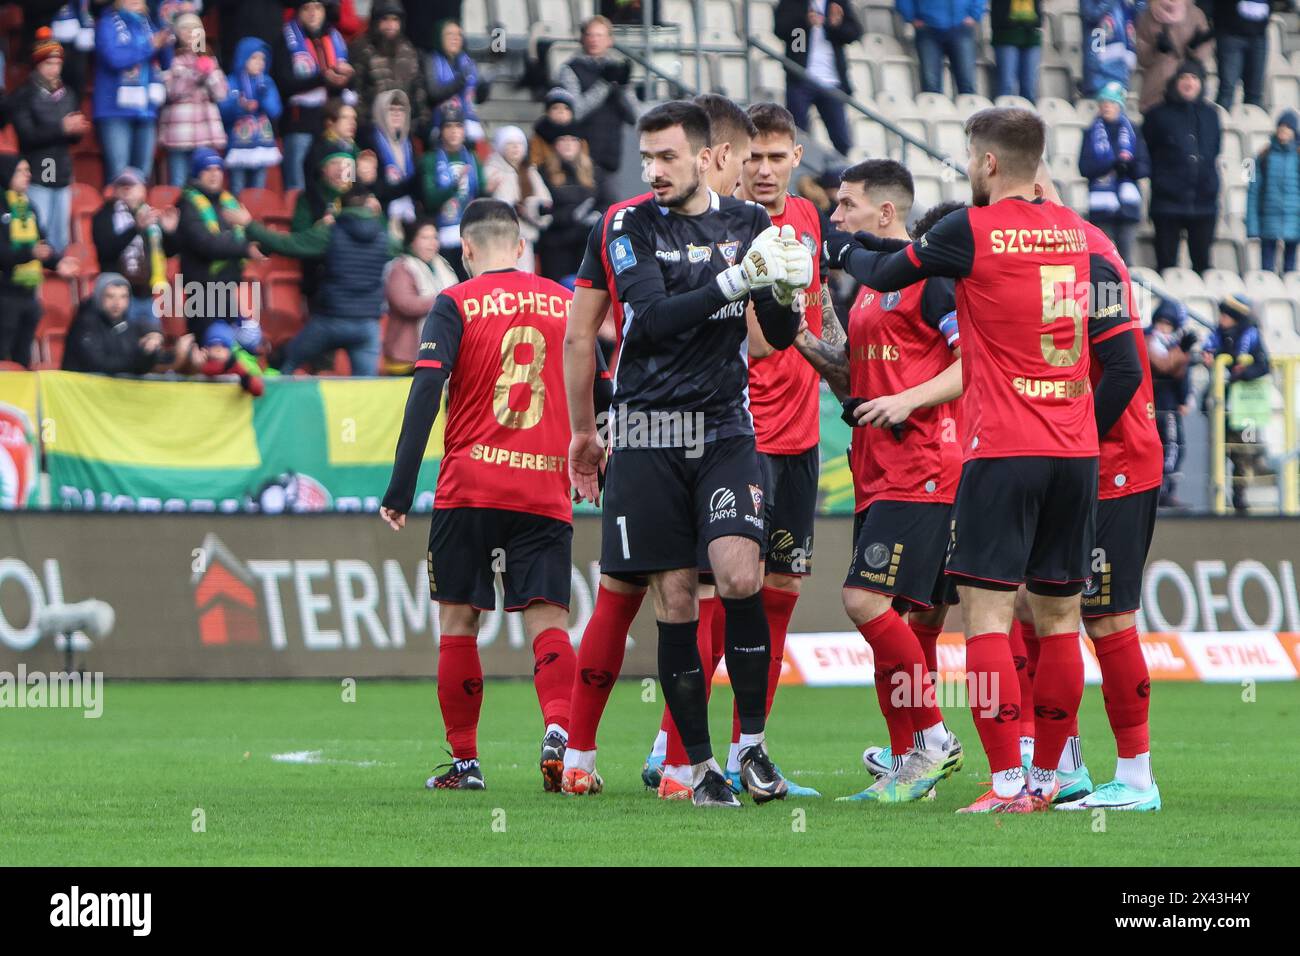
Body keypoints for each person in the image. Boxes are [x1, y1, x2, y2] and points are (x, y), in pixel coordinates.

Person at [824, 107, 1142, 812]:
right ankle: (1050, 780)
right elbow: (1119, 356)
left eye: (970, 157)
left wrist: (836, 249)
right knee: (1060, 621)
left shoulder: (967, 231)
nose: (968, 169)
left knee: (989, 619)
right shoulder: (1085, 238)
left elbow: (882, 267)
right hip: (1076, 452)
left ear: (989, 162)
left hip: (1002, 449)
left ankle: (1004, 783)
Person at [562, 100, 811, 808]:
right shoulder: (626, 224)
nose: (652, 170)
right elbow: (654, 317)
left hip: (724, 424)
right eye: (646, 158)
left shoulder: (750, 224)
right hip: (645, 429)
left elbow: (778, 335)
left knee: (738, 576)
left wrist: (786, 290)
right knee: (672, 597)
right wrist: (736, 281)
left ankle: (751, 748)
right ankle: (697, 768)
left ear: (707, 158)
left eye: (666, 157)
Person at [380, 199, 579, 792]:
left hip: (470, 485)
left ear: (465, 251)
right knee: (548, 619)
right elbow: (598, 383)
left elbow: (426, 391)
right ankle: (560, 734)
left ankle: (465, 764)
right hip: (544, 483)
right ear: (520, 247)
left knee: (459, 621)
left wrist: (400, 486)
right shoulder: (566, 303)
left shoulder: (455, 301)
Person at [792, 158, 966, 803]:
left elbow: (969, 363)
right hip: (876, 468)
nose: (836, 218)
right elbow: (855, 374)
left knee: (863, 601)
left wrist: (909, 402)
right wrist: (802, 341)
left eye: (846, 206)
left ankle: (933, 739)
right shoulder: (868, 286)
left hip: (922, 468)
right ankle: (906, 762)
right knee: (900, 620)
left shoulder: (931, 280)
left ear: (885, 212)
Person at [704, 101, 834, 797]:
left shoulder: (809, 222)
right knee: (713, 592)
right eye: (751, 156)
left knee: (780, 589)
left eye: (775, 157)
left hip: (801, 434)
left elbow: (817, 318)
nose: (762, 169)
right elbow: (752, 340)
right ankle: (678, 753)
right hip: (736, 433)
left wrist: (846, 379)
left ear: (795, 160)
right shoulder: (720, 226)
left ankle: (745, 751)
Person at [1032, 163, 1163, 812]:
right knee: (1037, 604)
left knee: (1107, 616)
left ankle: (1137, 777)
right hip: (1070, 459)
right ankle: (1063, 761)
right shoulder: (1057, 255)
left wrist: (1077, 442)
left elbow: (1123, 369)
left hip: (1114, 462)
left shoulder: (1090, 261)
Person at [235, 185, 397, 375]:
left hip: (331, 320)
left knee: (285, 365)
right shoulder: (384, 237)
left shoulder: (332, 232)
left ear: (341, 206)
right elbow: (404, 250)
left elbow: (289, 244)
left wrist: (249, 225)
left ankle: (266, 399)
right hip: (368, 323)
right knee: (366, 388)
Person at [10, 29, 87, 254]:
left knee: (60, 238)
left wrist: (76, 130)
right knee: (40, 232)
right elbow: (27, 136)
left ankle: (58, 282)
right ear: (37, 65)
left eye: (57, 63)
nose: (54, 69)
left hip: (62, 169)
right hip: (39, 169)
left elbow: (72, 137)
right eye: (48, 63)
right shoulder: (24, 95)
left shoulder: (69, 94)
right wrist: (61, 128)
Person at [0, 155, 80, 367]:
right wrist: (31, 253)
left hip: (28, 293)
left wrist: (57, 262)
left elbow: (41, 245)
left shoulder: (29, 207)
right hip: (5, 294)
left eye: (28, 170)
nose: (28, 175)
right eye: (21, 171)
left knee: (23, 354)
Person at [1142, 60, 1221, 274]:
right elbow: (1146, 151)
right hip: (1167, 203)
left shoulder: (1211, 115)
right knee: (1166, 266)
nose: (1189, 83)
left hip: (1204, 202)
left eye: (1194, 78)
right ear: (1175, 82)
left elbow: (1215, 150)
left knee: (1203, 266)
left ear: (1201, 84)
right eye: (1184, 78)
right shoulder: (1156, 115)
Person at [174, 148, 259, 344]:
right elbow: (205, 243)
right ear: (196, 173)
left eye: (218, 169)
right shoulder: (187, 204)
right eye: (207, 169)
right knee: (209, 346)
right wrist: (244, 248)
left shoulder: (228, 201)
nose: (214, 174)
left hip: (226, 287)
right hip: (201, 291)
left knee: (232, 348)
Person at [274, 0, 355, 192]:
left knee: (337, 175)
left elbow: (346, 87)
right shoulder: (285, 39)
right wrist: (323, 78)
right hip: (299, 122)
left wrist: (346, 78)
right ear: (298, 12)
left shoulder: (336, 38)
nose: (313, 13)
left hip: (330, 120)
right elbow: (284, 83)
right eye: (306, 8)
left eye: (317, 8)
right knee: (297, 181)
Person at [556, 15, 637, 206]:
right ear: (582, 38)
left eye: (599, 35)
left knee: (610, 214)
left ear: (610, 40)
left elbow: (635, 116)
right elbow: (576, 111)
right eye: (590, 35)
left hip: (610, 158)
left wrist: (623, 87)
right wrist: (604, 85)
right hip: (579, 158)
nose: (594, 40)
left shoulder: (616, 69)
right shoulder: (571, 69)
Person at [1204, 295, 1272, 514]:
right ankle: (1216, 497)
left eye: (1226, 315)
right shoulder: (1217, 336)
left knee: (1241, 454)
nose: (1222, 319)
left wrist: (1238, 375)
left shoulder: (1251, 336)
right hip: (1221, 405)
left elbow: (1263, 365)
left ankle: (1239, 496)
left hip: (1242, 408)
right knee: (1217, 452)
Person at [94, 0, 175, 182]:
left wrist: (167, 39)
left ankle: (136, 210)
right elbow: (115, 58)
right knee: (119, 175)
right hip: (114, 110)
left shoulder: (149, 24)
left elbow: (166, 63)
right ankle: (117, 210)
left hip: (146, 110)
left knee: (142, 175)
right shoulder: (107, 24)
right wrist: (151, 45)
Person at [92, 166, 180, 331]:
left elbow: (168, 252)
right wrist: (135, 228)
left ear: (143, 190)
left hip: (147, 295)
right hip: (118, 296)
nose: (126, 189)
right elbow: (105, 250)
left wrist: (170, 233)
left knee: (153, 344)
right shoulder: (103, 215)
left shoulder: (151, 216)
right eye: (122, 185)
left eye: (131, 185)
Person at [774, 0, 863, 157]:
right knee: (797, 135)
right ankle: (799, 176)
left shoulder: (838, 2)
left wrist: (835, 25)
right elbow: (781, 29)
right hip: (800, 78)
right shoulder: (793, 3)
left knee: (842, 141)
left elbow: (854, 33)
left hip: (832, 81)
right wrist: (804, 23)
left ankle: (838, 176)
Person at [419, 105, 496, 280]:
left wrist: (488, 191)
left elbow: (479, 195)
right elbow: (429, 199)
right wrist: (454, 186)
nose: (454, 132)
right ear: (441, 130)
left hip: (468, 235)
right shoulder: (430, 159)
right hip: (441, 234)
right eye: (449, 126)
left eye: (458, 126)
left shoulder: (472, 158)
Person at [62, 273, 189, 374]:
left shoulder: (124, 324)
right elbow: (99, 365)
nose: (117, 302)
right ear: (99, 297)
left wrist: (170, 353)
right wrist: (139, 356)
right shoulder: (85, 324)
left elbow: (135, 363)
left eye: (123, 297)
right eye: (110, 296)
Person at [1079, 81, 1149, 264]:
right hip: (1101, 208)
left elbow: (1143, 167)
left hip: (1127, 208)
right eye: (1103, 103)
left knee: (1126, 260)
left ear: (1120, 106)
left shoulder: (1133, 131)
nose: (1106, 106)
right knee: (1102, 258)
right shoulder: (1091, 132)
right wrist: (1111, 165)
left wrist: (1128, 167)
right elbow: (1084, 167)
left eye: (1111, 103)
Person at [159, 14, 229, 188]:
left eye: (194, 29)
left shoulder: (210, 58)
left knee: (204, 182)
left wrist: (210, 73)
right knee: (178, 181)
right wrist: (196, 74)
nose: (190, 33)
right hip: (180, 130)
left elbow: (221, 93)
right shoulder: (171, 58)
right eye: (185, 28)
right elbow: (171, 92)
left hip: (204, 131)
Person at [381, 216, 457, 374]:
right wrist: (444, 300)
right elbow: (406, 304)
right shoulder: (401, 267)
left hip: (440, 351)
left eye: (434, 237)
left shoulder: (442, 264)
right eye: (425, 238)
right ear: (411, 241)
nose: (432, 243)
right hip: (406, 356)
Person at [350, 1, 431, 142]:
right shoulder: (362, 49)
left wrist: (421, 120)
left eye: (395, 20)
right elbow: (356, 92)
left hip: (403, 130)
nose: (390, 25)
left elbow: (418, 90)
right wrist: (365, 123)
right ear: (375, 22)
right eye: (385, 19)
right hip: (371, 131)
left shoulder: (408, 50)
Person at [535, 121, 601, 286]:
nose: (568, 145)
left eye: (572, 140)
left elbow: (608, 200)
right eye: (562, 140)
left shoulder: (593, 171)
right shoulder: (544, 172)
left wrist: (598, 215)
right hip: (555, 245)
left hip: (585, 244)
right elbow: (542, 210)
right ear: (555, 145)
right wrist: (571, 216)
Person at [1146, 297, 1195, 508]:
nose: (1164, 328)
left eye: (1169, 325)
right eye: (1162, 323)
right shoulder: (1148, 340)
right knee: (1162, 448)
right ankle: (1158, 492)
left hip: (1169, 406)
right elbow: (1163, 366)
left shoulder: (1174, 346)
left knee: (1175, 448)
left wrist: (1184, 399)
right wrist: (1182, 353)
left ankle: (1167, 491)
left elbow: (1181, 376)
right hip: (1154, 407)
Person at [219, 37, 283, 194]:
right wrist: (240, 107)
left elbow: (275, 111)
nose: (259, 62)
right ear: (243, 57)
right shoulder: (231, 81)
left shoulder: (267, 82)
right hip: (237, 145)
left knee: (258, 188)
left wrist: (264, 97)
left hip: (262, 144)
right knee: (237, 186)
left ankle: (255, 216)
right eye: (254, 57)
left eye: (263, 58)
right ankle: (236, 217)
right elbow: (222, 111)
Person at [487, 126, 552, 274]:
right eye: (510, 144)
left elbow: (546, 203)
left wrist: (530, 209)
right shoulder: (492, 170)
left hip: (525, 236)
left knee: (524, 277)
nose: (516, 148)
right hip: (499, 237)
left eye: (519, 144)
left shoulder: (530, 172)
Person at [1246, 110, 1300, 275]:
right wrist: (1252, 226)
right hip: (1268, 222)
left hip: (1294, 221)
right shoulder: (1262, 156)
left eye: (1288, 128)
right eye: (1281, 127)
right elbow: (1252, 192)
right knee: (1266, 269)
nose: (1283, 131)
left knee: (1290, 270)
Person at [1135, 0, 1210, 114]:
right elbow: (1142, 58)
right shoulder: (1147, 16)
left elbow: (1205, 47)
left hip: (1187, 84)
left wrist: (1195, 47)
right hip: (1158, 86)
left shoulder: (1195, 14)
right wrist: (1156, 49)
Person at [898, 0, 983, 97]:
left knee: (967, 84)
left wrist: (974, 14)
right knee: (930, 85)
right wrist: (911, 17)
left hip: (962, 29)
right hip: (928, 30)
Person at [368, 89, 419, 226]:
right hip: (382, 213)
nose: (397, 114)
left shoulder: (409, 142)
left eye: (401, 110)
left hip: (409, 212)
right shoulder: (369, 140)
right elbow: (374, 186)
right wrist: (407, 186)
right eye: (391, 109)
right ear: (381, 112)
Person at [426, 19, 483, 142]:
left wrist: (484, 89)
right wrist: (460, 81)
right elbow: (433, 93)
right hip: (442, 124)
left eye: (458, 34)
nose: (455, 38)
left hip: (467, 122)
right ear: (439, 37)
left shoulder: (468, 62)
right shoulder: (431, 60)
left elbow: (475, 98)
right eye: (450, 34)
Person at [1211, 0, 1270, 111]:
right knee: (1227, 90)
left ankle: (1253, 126)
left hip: (1259, 35)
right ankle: (1222, 126)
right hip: (1230, 33)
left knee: (1255, 92)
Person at [1081, 0, 1141, 99]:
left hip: (1121, 72)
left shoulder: (1124, 4)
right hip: (1099, 72)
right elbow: (1092, 15)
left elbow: (1141, 18)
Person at [991, 0, 1042, 103]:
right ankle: (1003, 117)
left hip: (1031, 34)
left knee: (1029, 87)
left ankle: (1027, 117)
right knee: (1006, 86)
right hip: (1006, 34)